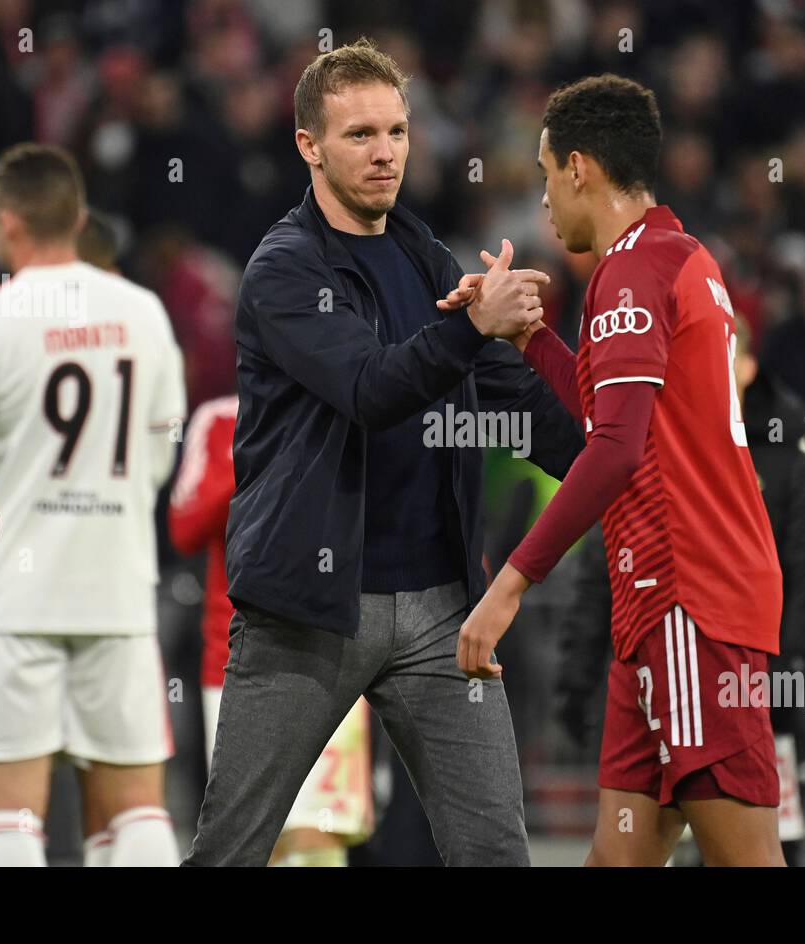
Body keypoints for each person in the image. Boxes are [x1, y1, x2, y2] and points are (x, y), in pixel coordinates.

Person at [183, 39, 582, 867]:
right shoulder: (283, 269)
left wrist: (617, 458)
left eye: (397, 131)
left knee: (497, 854)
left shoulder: (422, 253)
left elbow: (508, 394)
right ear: (309, 146)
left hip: (441, 609)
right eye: (361, 134)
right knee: (232, 850)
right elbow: (369, 389)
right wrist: (471, 327)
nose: (385, 152)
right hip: (310, 611)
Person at [456, 74, 786, 866]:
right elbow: (611, 416)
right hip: (657, 608)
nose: (542, 202)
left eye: (543, 177)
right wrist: (530, 338)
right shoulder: (673, 256)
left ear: (579, 168)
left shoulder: (632, 272)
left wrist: (509, 585)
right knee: (616, 858)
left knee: (746, 858)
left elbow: (614, 450)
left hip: (688, 600)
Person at [0, 143, 187, 866]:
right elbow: (160, 453)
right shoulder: (143, 313)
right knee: (137, 811)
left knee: (11, 820)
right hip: (115, 588)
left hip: (13, 600)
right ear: (79, 218)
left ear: (4, 222)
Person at [168, 394, 373, 866]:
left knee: (322, 834)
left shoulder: (354, 398)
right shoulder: (218, 417)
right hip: (234, 661)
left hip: (336, 653)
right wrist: (262, 460)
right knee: (248, 837)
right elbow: (184, 526)